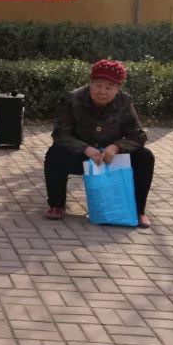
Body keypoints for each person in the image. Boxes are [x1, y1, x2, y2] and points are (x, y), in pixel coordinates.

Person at [44, 59, 154, 228]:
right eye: (97, 85)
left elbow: (138, 135)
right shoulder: (73, 99)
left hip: (112, 158)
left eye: (109, 87)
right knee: (55, 153)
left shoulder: (124, 102)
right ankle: (56, 204)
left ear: (117, 89)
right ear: (90, 84)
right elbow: (60, 134)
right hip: (82, 155)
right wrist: (85, 149)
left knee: (145, 157)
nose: (102, 91)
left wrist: (116, 147)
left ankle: (138, 211)